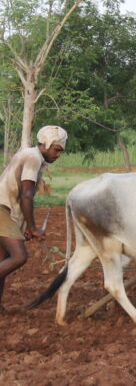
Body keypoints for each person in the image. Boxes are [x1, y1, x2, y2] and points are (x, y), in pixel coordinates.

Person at [0, 125, 67, 313]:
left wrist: (27, 227)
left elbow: (21, 195)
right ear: (46, 144)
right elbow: (26, 196)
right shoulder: (33, 158)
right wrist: (34, 227)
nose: (58, 154)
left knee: (3, 259)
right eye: (57, 149)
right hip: (2, 209)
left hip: (6, 208)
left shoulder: (31, 155)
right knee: (19, 256)